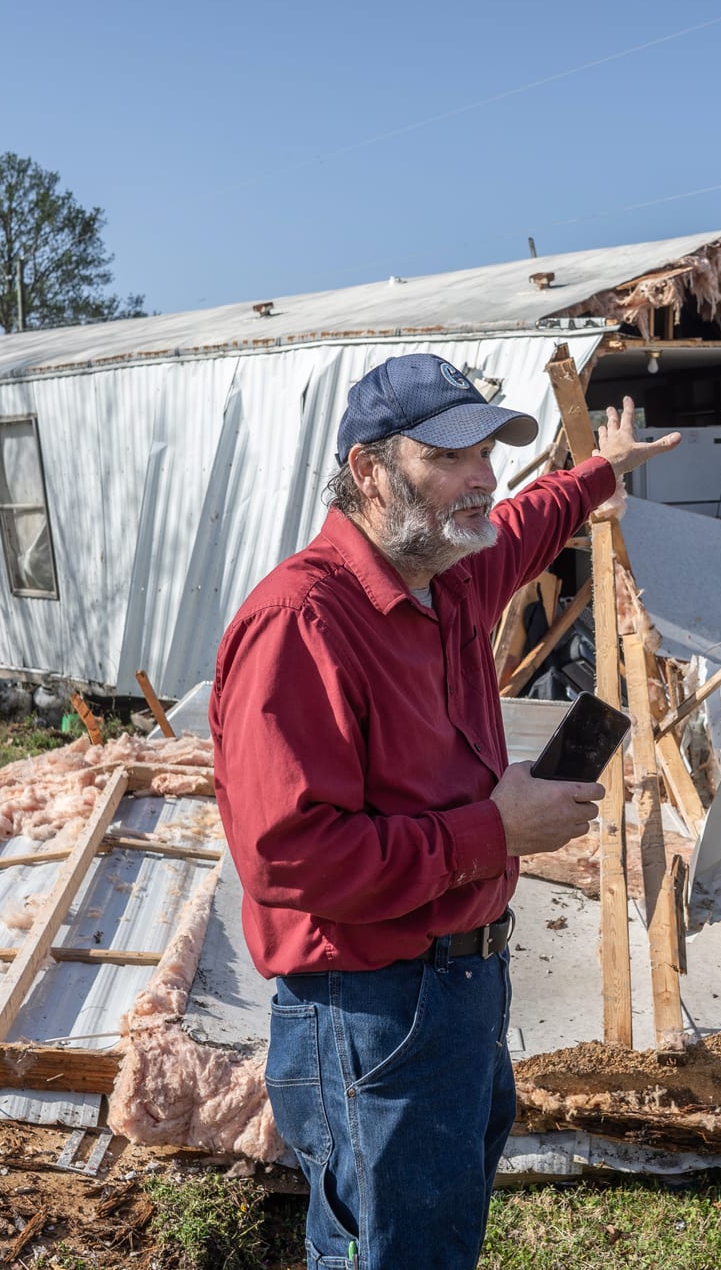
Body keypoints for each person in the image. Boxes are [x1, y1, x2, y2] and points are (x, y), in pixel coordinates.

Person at [210, 352, 679, 1270]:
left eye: (488, 454)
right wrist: (496, 831)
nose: (484, 478)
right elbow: (289, 857)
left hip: (458, 985)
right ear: (369, 471)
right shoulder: (303, 622)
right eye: (452, 457)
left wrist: (601, 472)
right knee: (390, 1250)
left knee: (424, 1234)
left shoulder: (450, 572)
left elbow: (530, 520)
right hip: (370, 1007)